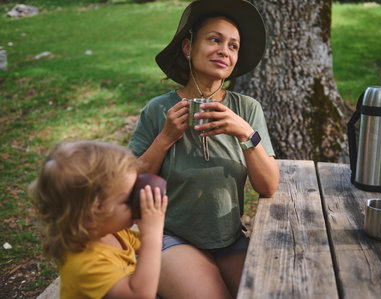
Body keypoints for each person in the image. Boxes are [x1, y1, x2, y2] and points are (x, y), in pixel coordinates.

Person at [129, 0, 280, 298]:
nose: (225, 50)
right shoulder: (158, 110)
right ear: (188, 48)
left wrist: (244, 133)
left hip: (228, 239)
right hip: (168, 236)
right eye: (214, 39)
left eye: (233, 46)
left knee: (267, 292)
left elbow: (269, 186)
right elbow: (131, 184)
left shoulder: (246, 110)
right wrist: (165, 137)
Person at [28, 141, 168, 299]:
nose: (136, 202)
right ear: (90, 217)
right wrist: (152, 233)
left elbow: (150, 250)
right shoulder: (86, 264)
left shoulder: (112, 232)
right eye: (129, 199)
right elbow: (140, 295)